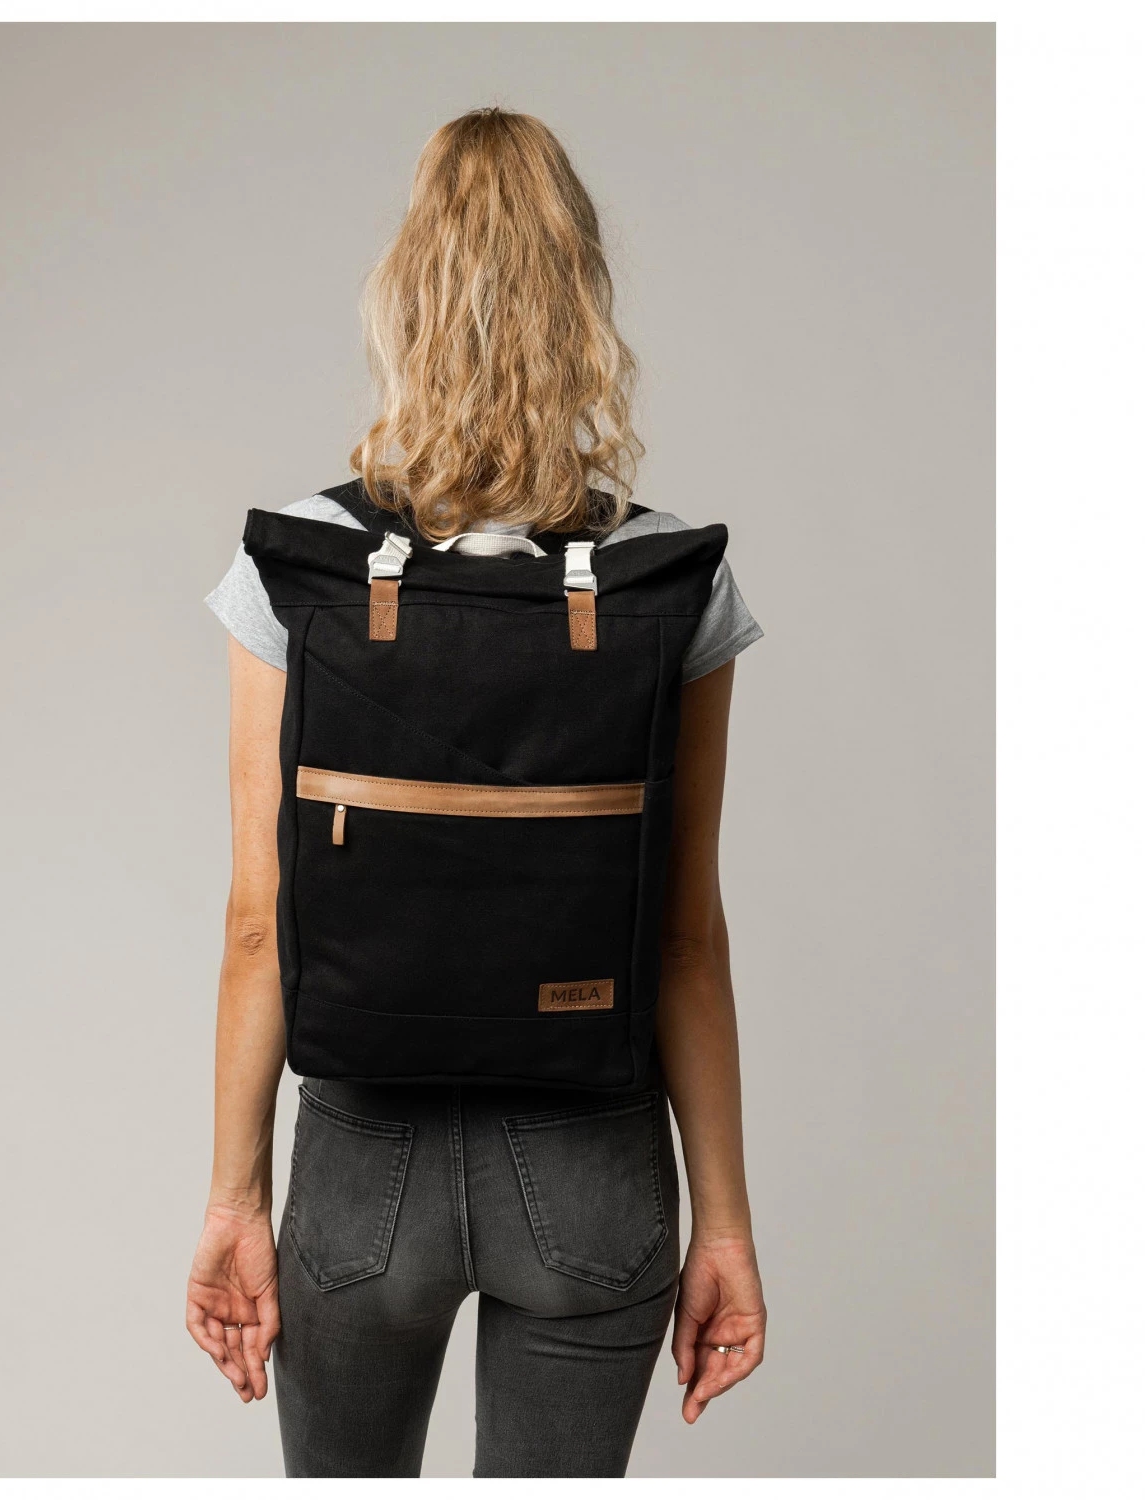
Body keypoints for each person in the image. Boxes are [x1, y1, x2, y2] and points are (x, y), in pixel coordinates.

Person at [186, 107, 767, 1478]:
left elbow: (260, 924)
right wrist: (728, 1228)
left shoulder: (304, 563)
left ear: (403, 295)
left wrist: (233, 1200)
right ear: (584, 298)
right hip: (594, 1169)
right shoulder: (667, 577)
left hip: (359, 1172)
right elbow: (686, 935)